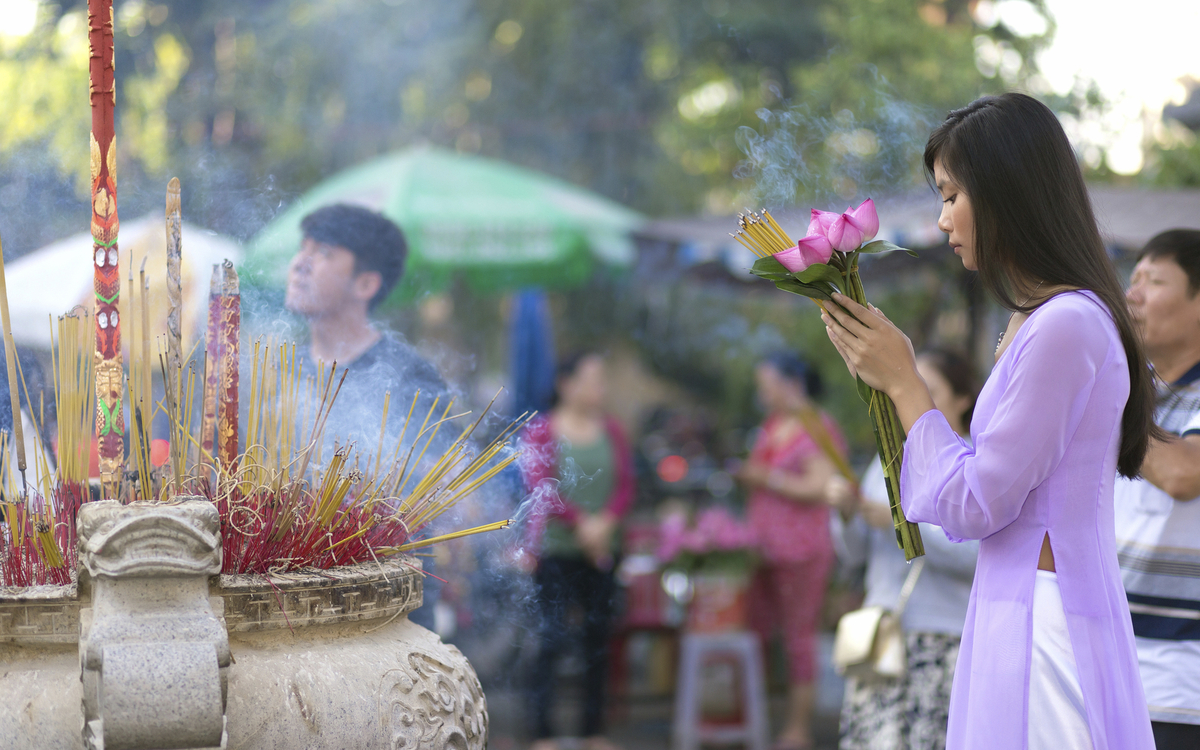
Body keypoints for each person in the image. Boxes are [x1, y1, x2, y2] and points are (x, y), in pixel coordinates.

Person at [822, 93, 1157, 749]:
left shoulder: (1064, 323)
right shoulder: (1041, 320)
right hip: (1018, 603)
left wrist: (904, 382)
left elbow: (979, 501)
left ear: (1005, 193)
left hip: (1041, 621)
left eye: (952, 196)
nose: (944, 219)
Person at [285, 202, 449, 630]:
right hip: (289, 589)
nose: (300, 263)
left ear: (366, 283)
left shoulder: (410, 375)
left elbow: (443, 483)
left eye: (323, 253)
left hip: (387, 594)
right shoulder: (278, 371)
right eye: (303, 248)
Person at [828, 349, 980, 750]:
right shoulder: (890, 455)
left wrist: (902, 523)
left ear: (962, 398)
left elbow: (977, 557)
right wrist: (846, 515)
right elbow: (854, 556)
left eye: (927, 389)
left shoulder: (971, 460)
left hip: (941, 640)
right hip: (881, 639)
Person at [518, 352, 635, 750]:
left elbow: (625, 486)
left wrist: (604, 523)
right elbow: (539, 485)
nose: (599, 388)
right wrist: (581, 522)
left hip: (602, 549)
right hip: (556, 550)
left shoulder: (613, 430)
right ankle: (542, 733)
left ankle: (593, 731)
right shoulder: (541, 431)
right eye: (592, 380)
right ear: (566, 385)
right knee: (550, 639)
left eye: (602, 380)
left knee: (598, 638)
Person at [1117, 229, 1200, 750]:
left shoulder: (1117, 401)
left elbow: (1183, 473)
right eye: (1134, 278)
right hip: (1102, 672)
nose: (1133, 294)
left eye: (1155, 280)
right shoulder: (1130, 391)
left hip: (1178, 686)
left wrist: (1105, 401)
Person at [738, 352, 844, 750]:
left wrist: (768, 477)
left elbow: (821, 486)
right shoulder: (771, 426)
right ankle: (758, 719)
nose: (762, 393)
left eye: (767, 385)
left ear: (792, 384)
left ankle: (797, 729)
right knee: (759, 634)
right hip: (762, 549)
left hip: (802, 549)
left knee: (798, 637)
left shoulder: (817, 427)